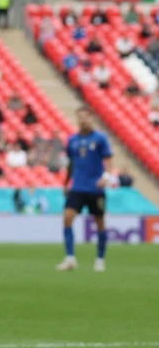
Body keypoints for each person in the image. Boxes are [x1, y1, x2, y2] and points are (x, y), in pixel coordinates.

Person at [57, 107, 115, 272]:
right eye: (80, 117)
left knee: (100, 223)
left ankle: (100, 259)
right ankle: (70, 258)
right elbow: (71, 162)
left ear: (91, 118)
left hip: (95, 188)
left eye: (85, 117)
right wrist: (66, 182)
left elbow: (108, 160)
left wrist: (106, 177)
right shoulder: (72, 140)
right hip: (77, 187)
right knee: (67, 218)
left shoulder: (100, 138)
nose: (83, 120)